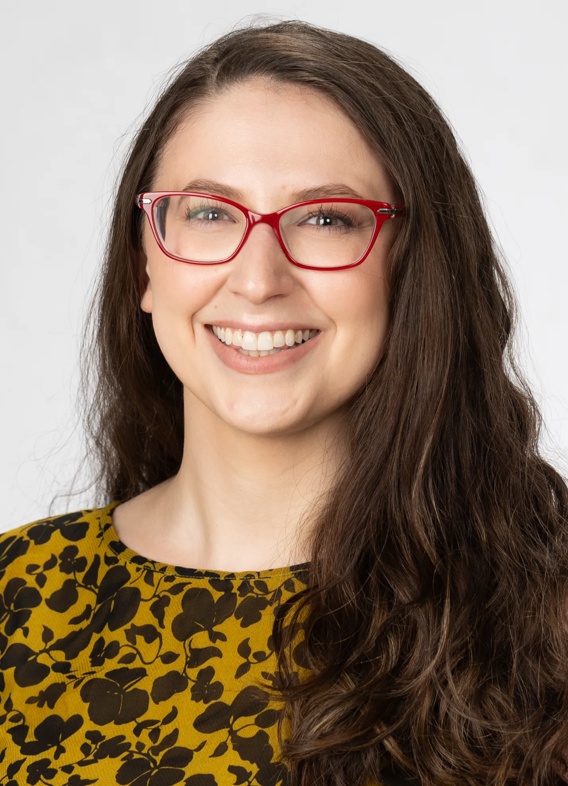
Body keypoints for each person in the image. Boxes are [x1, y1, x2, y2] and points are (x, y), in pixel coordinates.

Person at [1, 18, 567, 786]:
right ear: (144, 265)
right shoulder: (19, 600)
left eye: (327, 219)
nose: (258, 277)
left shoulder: (548, 602)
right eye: (208, 214)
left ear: (412, 268)